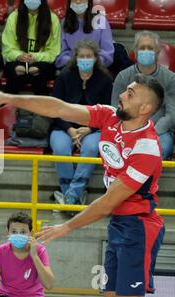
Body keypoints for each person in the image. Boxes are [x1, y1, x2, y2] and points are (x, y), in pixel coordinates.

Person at [0, 73, 165, 297]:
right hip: (118, 223)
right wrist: (7, 97)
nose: (121, 95)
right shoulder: (110, 117)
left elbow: (107, 203)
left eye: (129, 94)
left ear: (145, 108)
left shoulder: (146, 147)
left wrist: (66, 227)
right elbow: (60, 108)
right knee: (110, 296)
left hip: (139, 227)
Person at [51, 39, 112, 214]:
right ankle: (72, 197)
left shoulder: (105, 80)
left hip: (93, 128)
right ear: (76, 58)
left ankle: (72, 194)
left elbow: (108, 111)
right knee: (61, 148)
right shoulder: (64, 76)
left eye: (89, 56)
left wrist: (89, 129)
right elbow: (55, 109)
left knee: (92, 147)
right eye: (82, 56)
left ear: (95, 59)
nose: (85, 59)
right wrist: (70, 130)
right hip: (64, 126)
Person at [112, 31, 175, 160]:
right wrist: (132, 131)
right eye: (142, 48)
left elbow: (171, 114)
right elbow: (115, 110)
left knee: (162, 148)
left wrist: (151, 132)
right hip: (127, 129)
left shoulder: (170, 78)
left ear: (158, 53)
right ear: (135, 51)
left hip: (159, 131)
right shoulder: (123, 76)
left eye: (150, 48)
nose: (146, 51)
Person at [0, 212, 54, 297]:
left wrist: (35, 256)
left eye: (23, 232)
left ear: (30, 233)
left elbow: (49, 285)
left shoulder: (40, 251)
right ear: (8, 233)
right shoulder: (0, 252)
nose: (18, 235)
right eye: (14, 231)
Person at [2, 0, 61, 95]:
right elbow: (8, 48)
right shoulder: (13, 17)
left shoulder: (53, 19)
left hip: (43, 62)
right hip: (17, 60)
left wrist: (36, 57)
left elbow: (53, 52)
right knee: (17, 71)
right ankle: (8, 108)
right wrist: (19, 55)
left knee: (36, 73)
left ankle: (43, 109)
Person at [55, 0, 114, 70]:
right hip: (72, 66)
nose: (78, 2)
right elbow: (62, 53)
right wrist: (76, 62)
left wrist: (90, 62)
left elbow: (108, 53)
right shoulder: (64, 23)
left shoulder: (101, 21)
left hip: (96, 67)